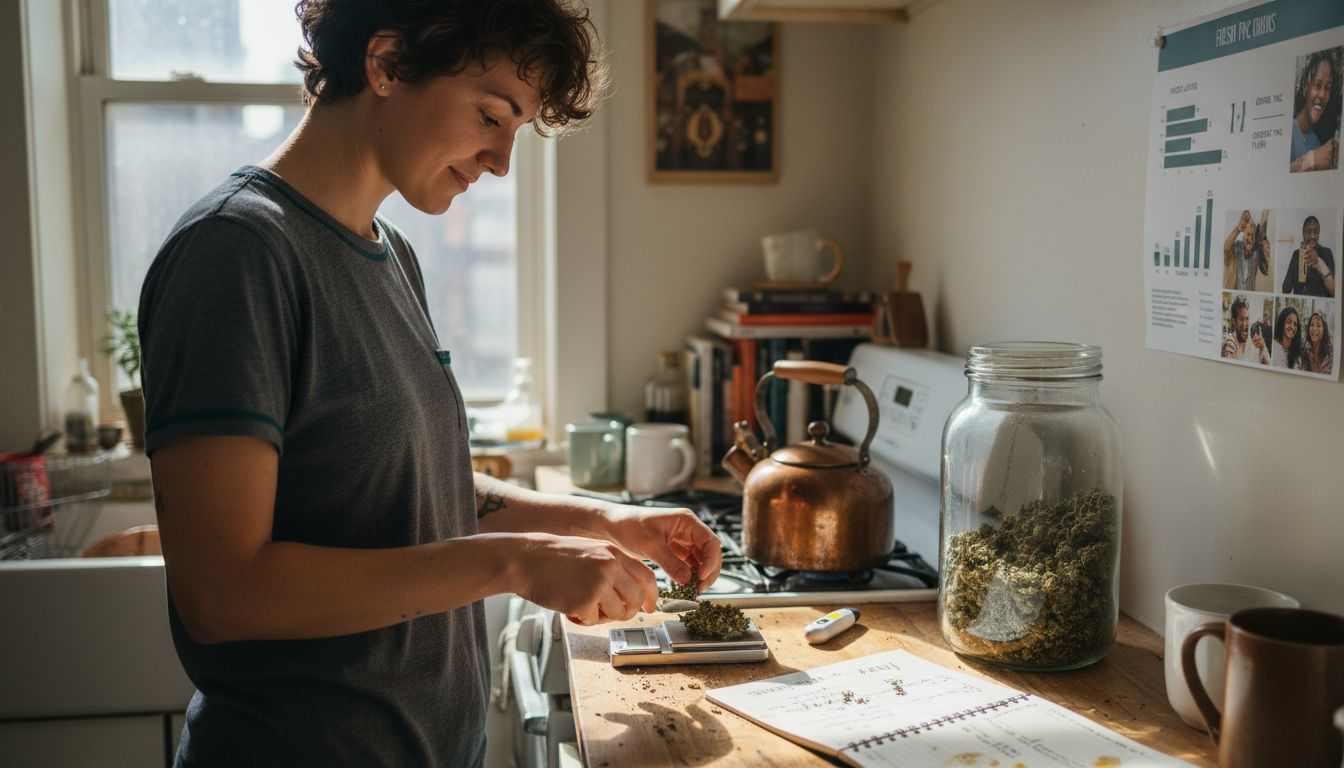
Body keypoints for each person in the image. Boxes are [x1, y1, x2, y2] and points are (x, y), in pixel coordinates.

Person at [137, 3, 723, 766]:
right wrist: (517, 562)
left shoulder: (391, 255)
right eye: (491, 116)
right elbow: (224, 594)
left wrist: (606, 522)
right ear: (384, 64)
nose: (502, 162)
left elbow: (411, 491)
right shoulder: (236, 255)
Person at [1290, 51, 1338, 173]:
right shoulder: (1289, 130)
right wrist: (1311, 160)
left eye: (1327, 88)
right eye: (1317, 85)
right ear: (1306, 87)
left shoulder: (1314, 141)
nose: (1322, 95)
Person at [1281, 215, 1336, 297]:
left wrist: (1319, 263)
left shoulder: (1326, 253)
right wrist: (1295, 266)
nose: (1312, 236)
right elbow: (1285, 290)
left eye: (1315, 231)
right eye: (1308, 231)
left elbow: (1334, 292)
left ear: (1319, 234)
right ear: (1303, 234)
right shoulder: (1296, 254)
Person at [1223, 210, 1269, 291]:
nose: (1250, 238)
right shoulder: (1236, 247)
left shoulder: (1256, 252)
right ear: (1243, 234)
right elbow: (1226, 248)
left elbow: (1266, 269)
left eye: (1252, 235)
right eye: (1248, 234)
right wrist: (1238, 228)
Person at [1221, 296, 1270, 364]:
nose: (1245, 323)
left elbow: (1269, 364)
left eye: (1247, 319)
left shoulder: (1254, 342)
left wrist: (1263, 347)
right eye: (1241, 319)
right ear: (1234, 321)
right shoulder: (1229, 344)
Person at [1271, 305, 1305, 369]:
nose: (1292, 327)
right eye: (1289, 322)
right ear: (1282, 323)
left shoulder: (1298, 352)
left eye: (1295, 324)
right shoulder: (1274, 347)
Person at [1301, 310, 1334, 374]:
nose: (1314, 329)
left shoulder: (1330, 355)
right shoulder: (1304, 353)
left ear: (1324, 329)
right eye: (1312, 325)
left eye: (1318, 325)